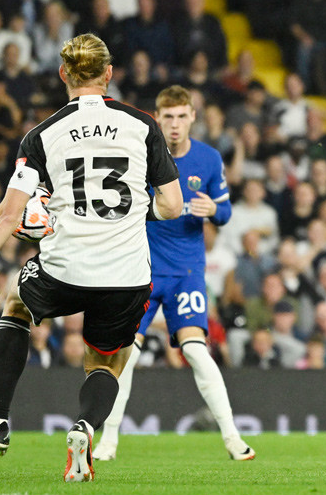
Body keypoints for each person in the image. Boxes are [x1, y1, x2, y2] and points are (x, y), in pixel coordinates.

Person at [0, 34, 184, 482]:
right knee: (104, 362)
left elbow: (9, 215)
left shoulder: (42, 134)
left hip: (65, 266)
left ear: (64, 74)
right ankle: (85, 428)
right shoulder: (143, 126)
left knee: (16, 302)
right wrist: (140, 209)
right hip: (126, 273)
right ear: (109, 74)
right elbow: (172, 206)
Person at [94, 85, 254, 463]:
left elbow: (226, 213)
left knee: (197, 350)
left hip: (187, 271)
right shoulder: (139, 155)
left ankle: (232, 437)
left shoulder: (210, 159)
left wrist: (210, 210)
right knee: (126, 355)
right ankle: (109, 440)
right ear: (157, 118)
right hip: (143, 269)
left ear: (193, 117)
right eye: (168, 117)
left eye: (183, 116)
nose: (176, 124)